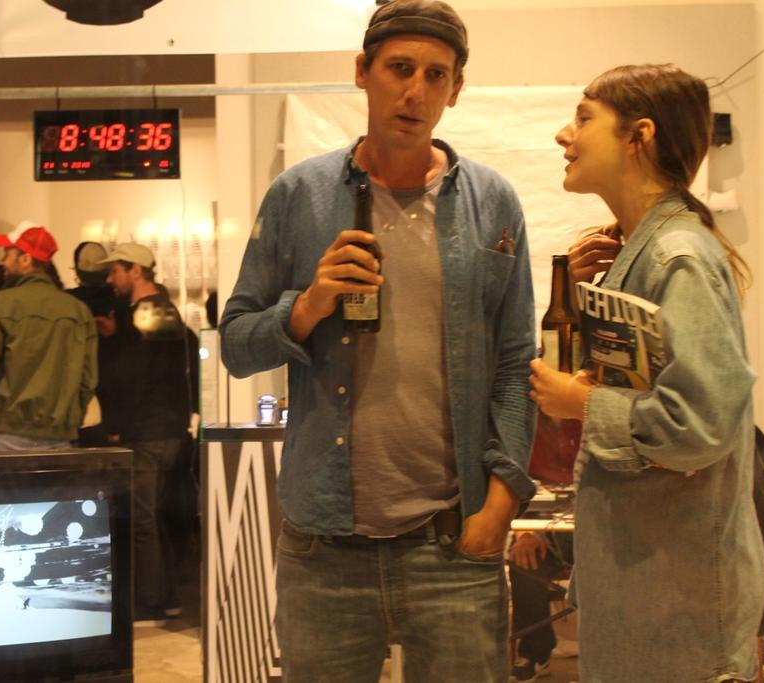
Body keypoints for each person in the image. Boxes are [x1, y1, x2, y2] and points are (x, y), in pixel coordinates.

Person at [219, 1, 537, 679]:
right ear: (363, 72)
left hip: (454, 543)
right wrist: (307, 306)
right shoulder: (298, 195)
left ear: (455, 89)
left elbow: (515, 364)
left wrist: (502, 501)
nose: (415, 91)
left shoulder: (493, 203)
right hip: (324, 552)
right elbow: (237, 345)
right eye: (400, 68)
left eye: (435, 74)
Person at [529, 63, 764, 682]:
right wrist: (576, 301)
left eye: (583, 118)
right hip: (646, 596)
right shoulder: (638, 253)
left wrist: (583, 405)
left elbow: (701, 423)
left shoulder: (676, 256)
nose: (564, 134)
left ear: (639, 136)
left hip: (680, 614)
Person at [99, 242, 199, 625]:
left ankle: (155, 600)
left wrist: (115, 425)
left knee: (142, 518)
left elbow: (136, 376)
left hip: (147, 432)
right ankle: (167, 595)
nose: (110, 279)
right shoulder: (164, 313)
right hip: (170, 430)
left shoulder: (146, 313)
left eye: (115, 271)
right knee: (157, 515)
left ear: (136, 270)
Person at [0, 220, 97, 451]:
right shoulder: (79, 312)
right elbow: (88, 380)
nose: (1, 262)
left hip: (6, 432)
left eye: (7, 254)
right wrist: (69, 420)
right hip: (59, 436)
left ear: (25, 259)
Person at [66, 241, 121, 447]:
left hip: (77, 400)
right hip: (116, 401)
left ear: (77, 270)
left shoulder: (67, 303)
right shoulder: (121, 304)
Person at [507, 531, 575, 682]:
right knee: (524, 557)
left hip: (606, 533)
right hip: (551, 535)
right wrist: (525, 533)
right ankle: (535, 653)